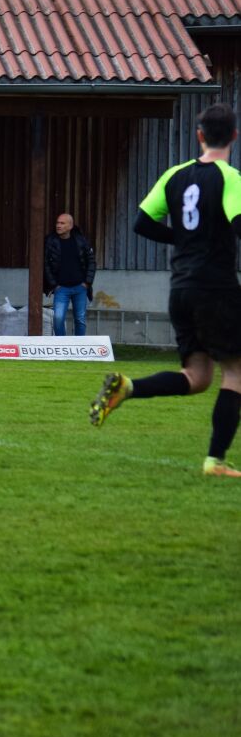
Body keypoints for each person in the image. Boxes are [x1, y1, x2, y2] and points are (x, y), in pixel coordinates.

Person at [91, 102, 241, 479]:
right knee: (236, 372)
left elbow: (142, 222)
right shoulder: (230, 178)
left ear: (199, 136)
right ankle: (215, 461)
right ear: (234, 136)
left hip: (180, 289)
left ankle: (128, 387)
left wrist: (184, 238)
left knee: (197, 377)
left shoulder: (175, 174)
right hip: (216, 287)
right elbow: (238, 222)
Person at [45, 213, 97, 336]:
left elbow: (91, 261)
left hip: (80, 287)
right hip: (61, 288)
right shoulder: (51, 242)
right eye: (57, 223)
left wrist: (87, 283)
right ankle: (62, 345)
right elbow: (46, 264)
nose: (58, 225)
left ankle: (79, 346)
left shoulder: (80, 241)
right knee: (58, 318)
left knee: (80, 319)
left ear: (70, 226)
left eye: (62, 223)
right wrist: (54, 285)